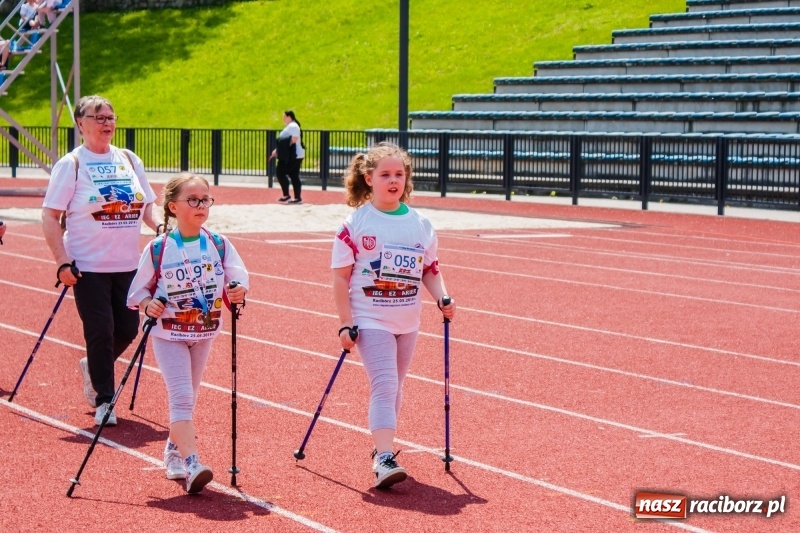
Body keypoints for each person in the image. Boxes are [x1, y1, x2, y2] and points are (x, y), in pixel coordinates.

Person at [331, 142, 456, 489]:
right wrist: (345, 321)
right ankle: (384, 457)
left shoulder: (420, 223)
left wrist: (442, 296)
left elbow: (429, 268)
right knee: (384, 383)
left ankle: (381, 449)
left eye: (399, 174)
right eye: (385, 174)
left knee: (396, 386)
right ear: (369, 178)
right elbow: (341, 277)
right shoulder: (355, 223)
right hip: (371, 318)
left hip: (408, 319)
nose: (393, 180)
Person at [127, 172, 249, 494]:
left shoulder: (218, 244)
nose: (200, 205)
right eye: (192, 200)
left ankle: (172, 450)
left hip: (204, 331)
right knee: (181, 395)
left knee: (189, 396)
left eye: (205, 199)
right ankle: (193, 462)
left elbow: (237, 279)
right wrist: (148, 304)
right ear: (172, 207)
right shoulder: (159, 248)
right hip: (169, 334)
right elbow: (137, 292)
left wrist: (237, 290)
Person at [42, 95, 158, 427]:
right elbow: (50, 216)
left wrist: (162, 227)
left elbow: (147, 204)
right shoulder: (72, 164)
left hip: (127, 264)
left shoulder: (129, 159)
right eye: (99, 117)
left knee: (127, 328)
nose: (107, 123)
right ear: (81, 123)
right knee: (101, 331)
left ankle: (93, 366)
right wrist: (62, 262)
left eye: (111, 117)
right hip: (87, 266)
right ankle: (105, 400)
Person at [268, 110, 304, 204]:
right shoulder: (292, 126)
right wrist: (278, 150)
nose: (283, 119)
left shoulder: (293, 126)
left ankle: (287, 195)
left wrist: (281, 149)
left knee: (280, 172)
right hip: (295, 154)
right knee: (294, 175)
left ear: (289, 117)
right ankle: (297, 198)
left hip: (292, 155)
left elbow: (294, 139)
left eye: (284, 117)